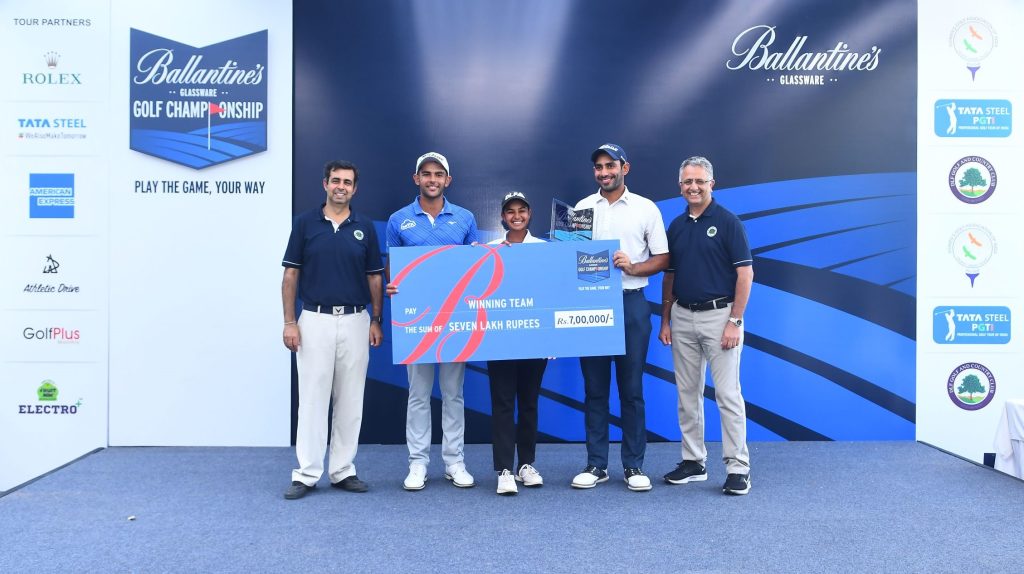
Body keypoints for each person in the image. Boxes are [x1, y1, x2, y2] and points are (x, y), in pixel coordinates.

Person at [280, 160, 384, 500]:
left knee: (350, 400)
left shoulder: (364, 227)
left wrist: (376, 319)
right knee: (312, 399)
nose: (341, 186)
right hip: (314, 320)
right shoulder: (305, 224)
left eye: (348, 182)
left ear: (355, 189)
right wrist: (290, 322)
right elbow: (290, 275)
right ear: (325, 184)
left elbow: (374, 277)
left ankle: (342, 470)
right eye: (336, 180)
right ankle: (306, 473)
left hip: (356, 320)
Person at [571, 143, 668, 492]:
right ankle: (596, 464)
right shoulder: (582, 208)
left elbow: (663, 258)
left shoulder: (645, 208)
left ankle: (633, 466)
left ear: (625, 167)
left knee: (631, 390)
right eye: (598, 167)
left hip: (631, 304)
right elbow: (567, 258)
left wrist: (635, 266)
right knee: (595, 390)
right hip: (591, 306)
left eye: (610, 165)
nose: (604, 172)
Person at [658, 155, 753, 496]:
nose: (693, 187)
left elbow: (745, 274)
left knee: (727, 395)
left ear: (712, 184)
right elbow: (670, 274)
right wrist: (666, 319)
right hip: (682, 316)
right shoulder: (677, 225)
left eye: (700, 181)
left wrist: (734, 321)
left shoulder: (728, 223)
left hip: (720, 316)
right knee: (687, 395)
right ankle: (694, 461)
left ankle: (738, 467)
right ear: (680, 185)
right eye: (687, 182)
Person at [385, 151, 479, 491]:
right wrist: (391, 283)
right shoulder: (398, 220)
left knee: (453, 393)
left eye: (439, 174)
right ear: (416, 179)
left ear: (447, 181)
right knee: (418, 394)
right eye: (426, 174)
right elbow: (392, 270)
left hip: (454, 321)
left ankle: (454, 462)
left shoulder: (465, 218)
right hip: (417, 322)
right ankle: (418, 464)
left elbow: (475, 269)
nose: (432, 179)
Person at [486, 191, 547, 496]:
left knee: (529, 402)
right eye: (510, 211)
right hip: (499, 339)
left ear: (529, 213)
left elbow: (552, 294)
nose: (516, 216)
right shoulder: (490, 250)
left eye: (522, 210)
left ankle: (526, 464)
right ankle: (505, 470)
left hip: (534, 339)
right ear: (502, 217)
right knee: (503, 403)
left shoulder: (544, 249)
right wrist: (480, 257)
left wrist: (551, 339)